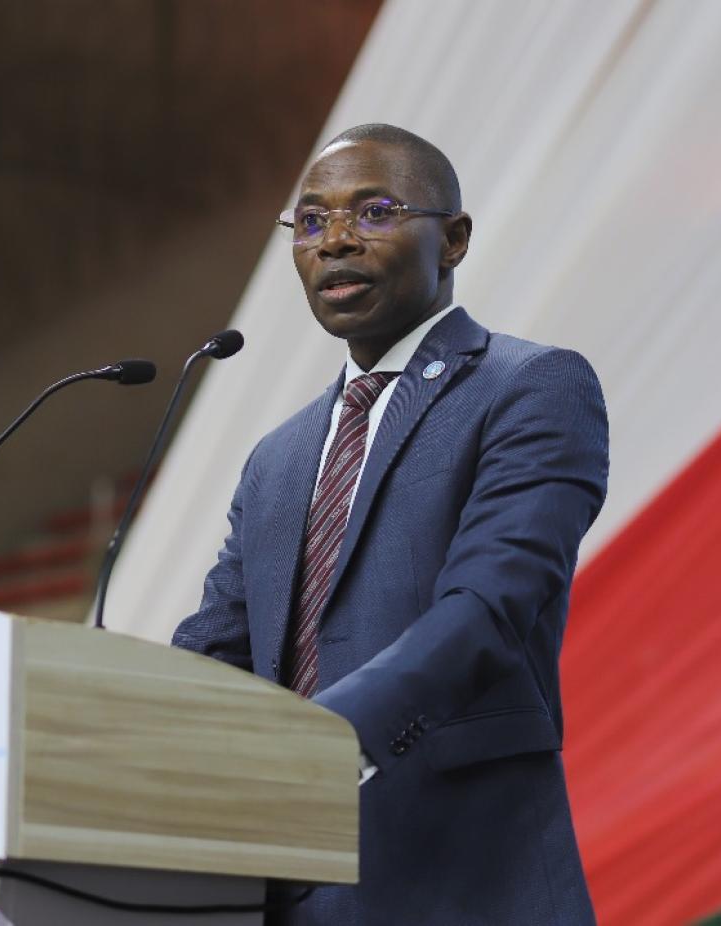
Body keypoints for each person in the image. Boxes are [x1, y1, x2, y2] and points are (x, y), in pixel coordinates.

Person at [171, 123, 608, 925]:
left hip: (460, 882)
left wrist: (326, 743)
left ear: (454, 239)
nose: (335, 240)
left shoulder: (531, 387)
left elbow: (487, 610)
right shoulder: (279, 456)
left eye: (374, 212)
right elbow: (214, 654)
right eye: (310, 222)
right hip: (278, 891)